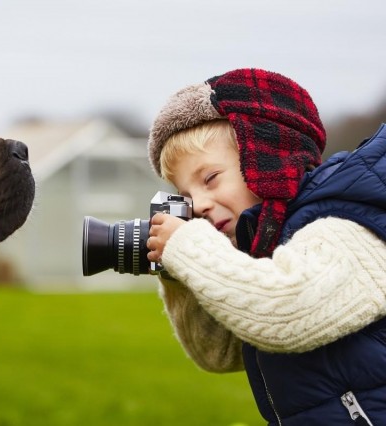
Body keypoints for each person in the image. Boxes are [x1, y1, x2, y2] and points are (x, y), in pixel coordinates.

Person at [144, 68, 386, 425]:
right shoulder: (271, 244)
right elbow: (219, 354)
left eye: (210, 178)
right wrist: (179, 274)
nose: (199, 205)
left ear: (267, 155)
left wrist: (189, 246)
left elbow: (285, 310)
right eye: (186, 196)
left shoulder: (345, 226)